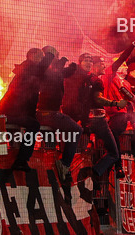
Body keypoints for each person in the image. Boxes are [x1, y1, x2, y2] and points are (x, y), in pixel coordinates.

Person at [0, 46, 55, 171]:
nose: (42, 59)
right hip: (11, 112)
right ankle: (21, 160)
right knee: (33, 125)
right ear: (31, 56)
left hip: (11, 111)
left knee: (29, 125)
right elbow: (42, 68)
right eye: (40, 56)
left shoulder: (27, 70)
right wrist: (50, 54)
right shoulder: (29, 67)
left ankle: (17, 160)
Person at [36, 50, 82, 186]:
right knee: (77, 130)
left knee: (50, 145)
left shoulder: (49, 72)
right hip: (50, 114)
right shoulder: (45, 72)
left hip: (45, 114)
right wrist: (69, 64)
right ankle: (64, 164)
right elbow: (60, 73)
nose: (58, 57)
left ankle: (50, 176)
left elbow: (62, 73)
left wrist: (70, 65)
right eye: (55, 55)